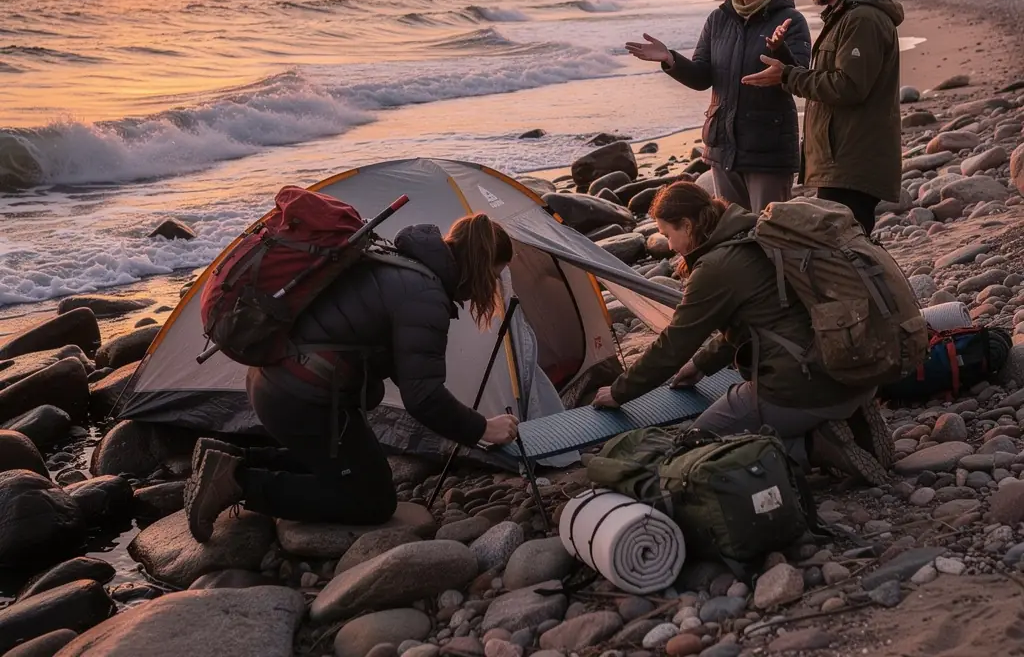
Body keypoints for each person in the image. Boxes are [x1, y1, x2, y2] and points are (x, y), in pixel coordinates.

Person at [183, 213, 520, 542]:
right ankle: (236, 482)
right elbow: (423, 398)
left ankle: (230, 457)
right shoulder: (425, 296)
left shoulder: (401, 263)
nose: (490, 287)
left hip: (276, 380)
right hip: (302, 397)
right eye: (494, 275)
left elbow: (410, 375)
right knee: (372, 499)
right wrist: (482, 429)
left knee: (358, 467)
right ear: (480, 266)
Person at [592, 182, 891, 482]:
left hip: (803, 388)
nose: (669, 246)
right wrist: (701, 364)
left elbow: (673, 345)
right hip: (850, 368)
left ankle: (814, 446)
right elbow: (757, 324)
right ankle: (850, 416)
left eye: (668, 234)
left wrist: (620, 392)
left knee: (699, 444)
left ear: (687, 225)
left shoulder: (715, 268)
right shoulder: (754, 233)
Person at [626, 0, 811, 213]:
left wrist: (779, 49)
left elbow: (800, 79)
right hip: (723, 149)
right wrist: (670, 59)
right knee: (733, 232)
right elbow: (702, 77)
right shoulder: (718, 19)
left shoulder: (790, 21)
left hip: (768, 150)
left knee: (770, 231)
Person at [742, 0, 903, 234]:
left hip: (852, 163)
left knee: (847, 250)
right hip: (841, 162)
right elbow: (831, 78)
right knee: (844, 248)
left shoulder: (862, 19)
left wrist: (786, 75)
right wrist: (784, 58)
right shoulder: (847, 15)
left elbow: (848, 87)